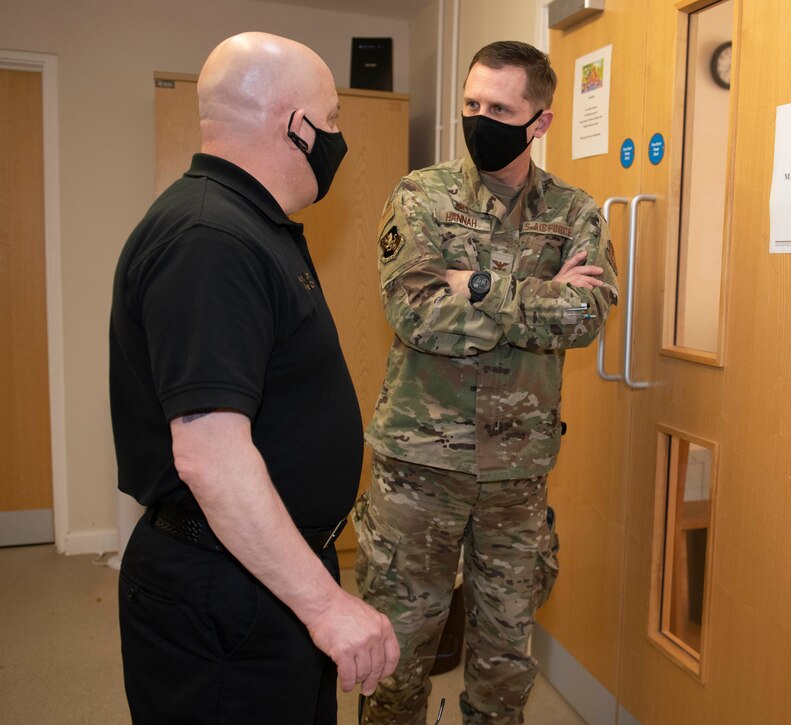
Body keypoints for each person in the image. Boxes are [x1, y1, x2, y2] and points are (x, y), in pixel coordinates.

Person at [109, 32, 399, 724]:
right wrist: (327, 606)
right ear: (294, 126)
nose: (335, 139)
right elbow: (211, 455)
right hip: (224, 593)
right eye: (330, 121)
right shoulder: (211, 238)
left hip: (263, 574)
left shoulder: (247, 223)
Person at [355, 40, 618, 724]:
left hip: (516, 474)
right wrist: (535, 295)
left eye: (499, 107)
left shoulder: (575, 211)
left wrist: (472, 283)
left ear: (541, 121)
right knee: (397, 661)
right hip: (418, 467)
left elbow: (585, 316)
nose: (479, 118)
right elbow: (416, 314)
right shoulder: (421, 196)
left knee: (504, 666)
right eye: (471, 103)